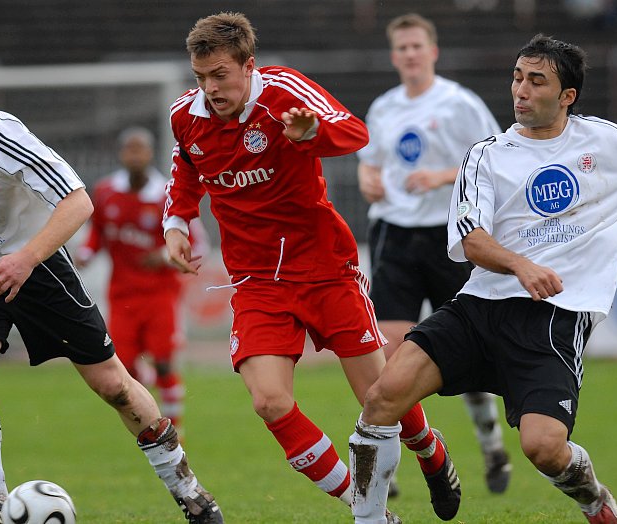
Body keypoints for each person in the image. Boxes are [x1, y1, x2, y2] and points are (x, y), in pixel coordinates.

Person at [0, 55, 222, 524]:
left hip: (37, 265)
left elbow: (78, 201)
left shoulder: (3, 135)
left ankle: (190, 493)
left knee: (114, 385)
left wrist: (26, 258)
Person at [163, 12, 459, 523]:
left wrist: (311, 133)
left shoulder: (283, 90)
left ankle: (430, 450)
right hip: (256, 282)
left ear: (248, 66)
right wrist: (176, 223)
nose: (209, 88)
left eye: (220, 75)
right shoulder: (185, 116)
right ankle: (369, 511)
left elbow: (355, 132)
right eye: (200, 77)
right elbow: (185, 171)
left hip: (325, 268)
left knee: (379, 396)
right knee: (270, 403)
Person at [350, 34, 617, 523]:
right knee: (382, 397)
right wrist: (521, 264)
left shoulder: (606, 142)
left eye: (536, 81)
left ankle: (597, 501)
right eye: (517, 77)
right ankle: (371, 519)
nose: (521, 90)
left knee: (544, 447)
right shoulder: (486, 154)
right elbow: (472, 239)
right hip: (479, 306)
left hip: (556, 317)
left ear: (567, 96)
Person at [356, 13, 511, 497]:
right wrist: (368, 180)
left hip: (449, 239)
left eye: (416, 46)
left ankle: (491, 445)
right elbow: (368, 165)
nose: (409, 54)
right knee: (391, 354)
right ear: (393, 55)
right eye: (401, 47)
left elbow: (495, 155)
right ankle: (391, 459)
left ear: (433, 50)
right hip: (396, 238)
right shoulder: (383, 108)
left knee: (466, 349)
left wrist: (442, 176)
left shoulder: (459, 102)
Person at [76, 126, 208, 431]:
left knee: (163, 362)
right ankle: (151, 423)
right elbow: (98, 232)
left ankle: (175, 429)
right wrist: (86, 251)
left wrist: (163, 256)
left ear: (150, 154)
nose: (135, 155)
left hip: (160, 294)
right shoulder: (107, 191)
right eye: (129, 149)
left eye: (140, 149)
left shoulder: (167, 195)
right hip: (121, 294)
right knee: (122, 367)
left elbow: (196, 243)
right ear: (122, 154)